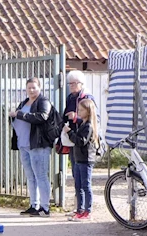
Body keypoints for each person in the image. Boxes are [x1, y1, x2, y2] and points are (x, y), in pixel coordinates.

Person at [12, 77, 55, 216]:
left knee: (41, 175)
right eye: (29, 88)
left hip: (38, 144)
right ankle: (33, 204)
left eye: (34, 87)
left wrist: (20, 114)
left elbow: (42, 117)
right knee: (30, 177)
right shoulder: (24, 102)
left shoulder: (43, 101)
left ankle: (45, 207)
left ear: (39, 88)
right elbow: (19, 117)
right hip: (24, 144)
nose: (31, 90)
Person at [63, 71, 97, 219]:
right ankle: (79, 208)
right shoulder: (70, 98)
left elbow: (83, 138)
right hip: (75, 147)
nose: (71, 86)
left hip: (84, 150)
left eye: (74, 83)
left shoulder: (87, 98)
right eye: (70, 83)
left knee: (85, 183)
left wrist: (75, 119)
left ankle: (86, 210)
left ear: (82, 84)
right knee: (77, 180)